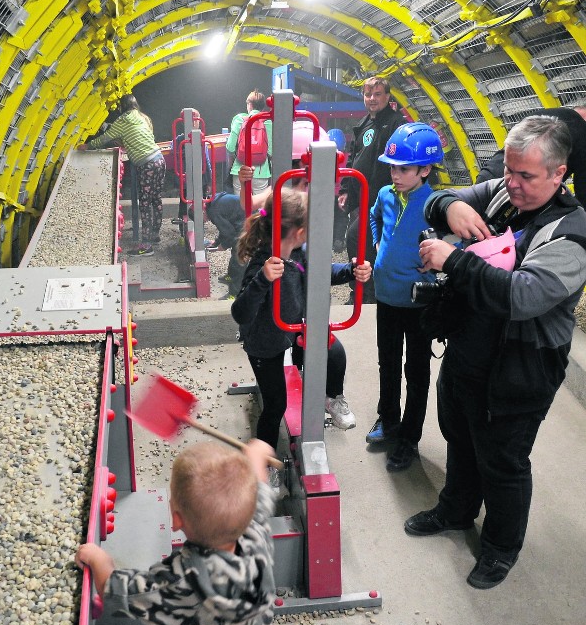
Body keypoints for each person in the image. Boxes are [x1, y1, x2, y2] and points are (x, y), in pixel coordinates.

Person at [403, 115, 586, 589]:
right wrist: (447, 206)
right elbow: (444, 201)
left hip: (520, 368)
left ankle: (501, 548)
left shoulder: (570, 233)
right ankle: (456, 511)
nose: (513, 184)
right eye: (509, 171)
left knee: (503, 461)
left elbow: (522, 297)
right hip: (470, 350)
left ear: (559, 173)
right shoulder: (505, 192)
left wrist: (455, 260)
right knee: (460, 437)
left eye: (526, 176)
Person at [75, 438, 293, 625]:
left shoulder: (179, 582)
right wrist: (255, 458)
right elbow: (260, 493)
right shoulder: (255, 536)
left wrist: (99, 560)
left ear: (176, 519)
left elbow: (119, 592)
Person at [231, 186, 371, 449]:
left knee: (336, 353)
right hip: (265, 341)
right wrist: (263, 279)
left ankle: (331, 398)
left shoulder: (301, 252)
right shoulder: (263, 262)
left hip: (293, 326)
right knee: (276, 405)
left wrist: (352, 271)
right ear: (298, 232)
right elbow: (240, 313)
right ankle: (267, 463)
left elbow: (323, 271)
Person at [365, 123, 444, 471]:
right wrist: (378, 243)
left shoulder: (436, 204)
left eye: (405, 169)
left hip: (418, 303)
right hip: (386, 296)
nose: (396, 174)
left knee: (417, 371)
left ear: (425, 170)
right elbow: (372, 217)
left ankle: (409, 439)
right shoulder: (384, 194)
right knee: (388, 362)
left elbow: (464, 238)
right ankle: (388, 419)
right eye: (393, 167)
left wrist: (440, 263)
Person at [338, 77, 405, 303]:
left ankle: (366, 293)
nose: (372, 99)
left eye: (377, 94)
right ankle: (363, 291)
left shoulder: (397, 124)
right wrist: (346, 190)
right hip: (364, 198)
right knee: (363, 242)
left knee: (357, 238)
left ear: (387, 96)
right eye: (368, 95)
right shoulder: (363, 124)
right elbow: (353, 158)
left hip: (383, 200)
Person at [79, 94, 164, 257]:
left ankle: (146, 247)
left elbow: (105, 138)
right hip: (159, 159)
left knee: (145, 203)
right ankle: (155, 235)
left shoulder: (122, 120)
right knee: (156, 199)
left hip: (146, 164)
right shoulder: (143, 117)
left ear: (122, 107)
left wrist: (88, 146)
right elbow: (147, 136)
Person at [476, 105, 586, 206]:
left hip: (488, 178)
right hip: (517, 191)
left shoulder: (547, 116)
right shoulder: (581, 132)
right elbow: (583, 189)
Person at [226, 89, 272, 196]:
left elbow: (230, 148)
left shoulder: (239, 119)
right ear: (262, 106)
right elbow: (271, 151)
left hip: (240, 170)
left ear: (249, 105)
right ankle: (262, 213)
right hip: (261, 172)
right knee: (261, 208)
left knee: (240, 206)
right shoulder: (268, 121)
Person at [205, 190, 247, 300]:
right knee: (236, 250)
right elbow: (226, 227)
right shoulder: (212, 203)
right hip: (243, 218)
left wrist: (223, 246)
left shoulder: (213, 212)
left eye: (201, 220)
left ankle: (235, 293)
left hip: (247, 222)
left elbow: (230, 234)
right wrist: (217, 242)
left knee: (239, 257)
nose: (204, 222)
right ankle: (231, 276)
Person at [327, 127, 348, 252]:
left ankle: (326, 240)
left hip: (327, 194)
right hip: (341, 195)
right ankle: (338, 240)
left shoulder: (324, 158)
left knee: (328, 216)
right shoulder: (347, 157)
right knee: (342, 217)